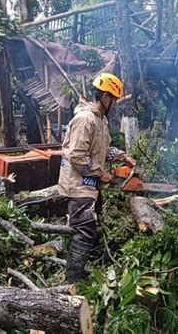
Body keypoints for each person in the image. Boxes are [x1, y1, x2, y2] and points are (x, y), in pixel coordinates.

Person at [58, 73, 136, 283]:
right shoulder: (85, 119)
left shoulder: (100, 120)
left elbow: (102, 149)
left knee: (94, 225)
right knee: (84, 230)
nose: (116, 104)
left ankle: (86, 266)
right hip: (78, 184)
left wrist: (122, 156)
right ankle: (70, 283)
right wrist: (101, 173)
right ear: (104, 96)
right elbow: (76, 155)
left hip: (90, 184)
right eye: (114, 99)